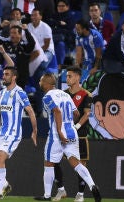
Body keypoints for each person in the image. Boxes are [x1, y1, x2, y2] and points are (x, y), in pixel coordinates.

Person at [34, 73, 101, 202]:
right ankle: (92, 185)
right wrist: (68, 124)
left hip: (57, 133)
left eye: (41, 81)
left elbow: (57, 111)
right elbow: (76, 113)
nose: (39, 83)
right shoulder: (65, 94)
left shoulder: (47, 96)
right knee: (76, 163)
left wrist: (59, 130)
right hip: (71, 130)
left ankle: (47, 196)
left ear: (47, 83)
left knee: (49, 163)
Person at [0, 66, 37, 199]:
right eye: (3, 74)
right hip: (2, 133)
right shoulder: (2, 92)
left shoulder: (20, 92)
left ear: (14, 77)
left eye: (7, 74)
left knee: (0, 157)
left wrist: (34, 131)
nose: (4, 76)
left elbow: (30, 111)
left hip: (13, 133)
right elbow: (3, 115)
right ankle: (4, 184)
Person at [52, 67, 93, 202]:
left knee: (81, 164)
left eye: (69, 76)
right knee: (54, 161)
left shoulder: (86, 95)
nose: (67, 78)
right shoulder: (62, 94)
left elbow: (87, 113)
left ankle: (80, 194)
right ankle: (61, 190)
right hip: (62, 136)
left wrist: (76, 126)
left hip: (79, 135)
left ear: (77, 78)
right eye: (67, 76)